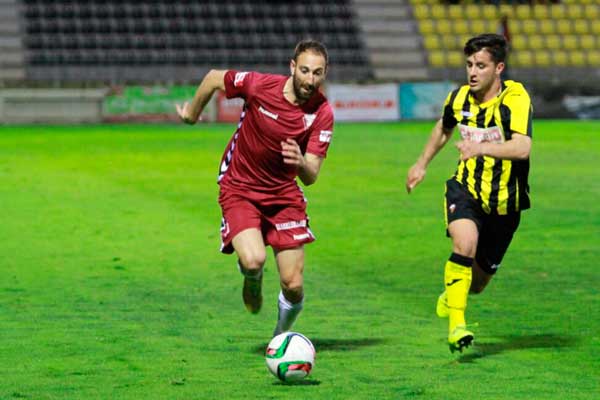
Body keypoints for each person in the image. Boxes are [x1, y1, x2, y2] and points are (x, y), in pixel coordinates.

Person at [175, 39, 334, 337]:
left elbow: (311, 175)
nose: (310, 79)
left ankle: (279, 339)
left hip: (284, 195)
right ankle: (252, 277)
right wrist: (192, 115)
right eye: (304, 71)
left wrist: (299, 161)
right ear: (292, 67)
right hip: (240, 187)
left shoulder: (322, 113)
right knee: (253, 259)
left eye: (317, 73)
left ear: (324, 74)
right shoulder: (259, 86)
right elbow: (212, 78)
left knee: (294, 285)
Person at [406, 33, 532, 353]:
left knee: (476, 285)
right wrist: (421, 164)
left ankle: (453, 295)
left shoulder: (514, 99)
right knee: (464, 242)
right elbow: (444, 127)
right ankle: (457, 327)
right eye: (469, 65)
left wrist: (481, 147)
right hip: (466, 190)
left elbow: (522, 147)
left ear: (499, 68)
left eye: (481, 65)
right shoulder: (459, 98)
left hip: (506, 204)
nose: (472, 72)